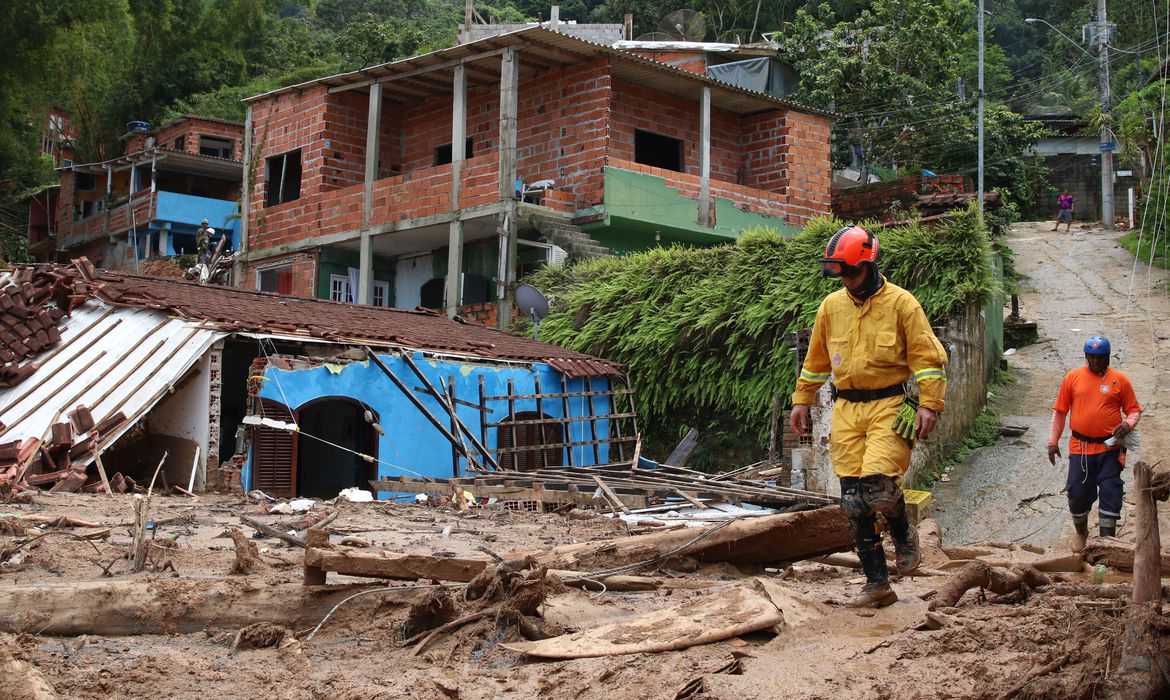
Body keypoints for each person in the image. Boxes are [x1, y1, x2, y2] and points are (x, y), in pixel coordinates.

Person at [789, 225, 948, 608]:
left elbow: (928, 360)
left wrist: (929, 403)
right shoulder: (831, 307)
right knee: (853, 502)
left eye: (852, 271)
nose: (847, 279)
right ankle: (877, 583)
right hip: (846, 408)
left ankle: (902, 530)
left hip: (889, 405)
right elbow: (816, 363)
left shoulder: (903, 304)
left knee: (877, 485)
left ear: (871, 264)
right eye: (840, 273)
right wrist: (802, 400)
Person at [1047, 336, 1142, 551]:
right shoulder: (1072, 378)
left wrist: (1128, 424)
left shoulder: (1120, 380)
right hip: (1080, 448)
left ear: (1108, 357)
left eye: (1100, 358)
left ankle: (1105, 544)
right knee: (1077, 493)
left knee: (1111, 491)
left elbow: (1134, 410)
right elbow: (1060, 411)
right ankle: (1082, 533)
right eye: (1092, 357)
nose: (1096, 362)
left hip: (1110, 448)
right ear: (1086, 357)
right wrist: (1053, 442)